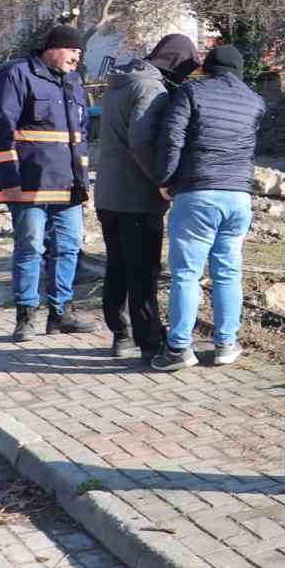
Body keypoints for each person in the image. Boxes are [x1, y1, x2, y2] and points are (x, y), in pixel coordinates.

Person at [150, 44, 265, 372]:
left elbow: (173, 138)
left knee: (187, 273)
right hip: (239, 196)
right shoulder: (256, 101)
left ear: (207, 67)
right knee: (229, 272)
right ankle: (226, 344)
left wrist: (165, 179)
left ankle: (178, 349)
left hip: (198, 192)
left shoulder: (191, 92)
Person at [0, 25, 97, 341]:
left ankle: (60, 313)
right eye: (73, 51)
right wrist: (8, 176)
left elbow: (82, 136)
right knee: (30, 247)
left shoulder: (74, 82)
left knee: (68, 248)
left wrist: (84, 181)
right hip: (28, 182)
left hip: (68, 184)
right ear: (53, 48)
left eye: (80, 53)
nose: (77, 58)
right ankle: (25, 316)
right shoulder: (17, 74)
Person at [95, 34, 200, 361]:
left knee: (117, 266)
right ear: (176, 62)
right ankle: (149, 341)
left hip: (108, 193)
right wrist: (162, 182)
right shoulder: (150, 87)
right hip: (136, 196)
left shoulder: (122, 81)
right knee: (143, 271)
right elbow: (140, 142)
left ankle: (120, 333)